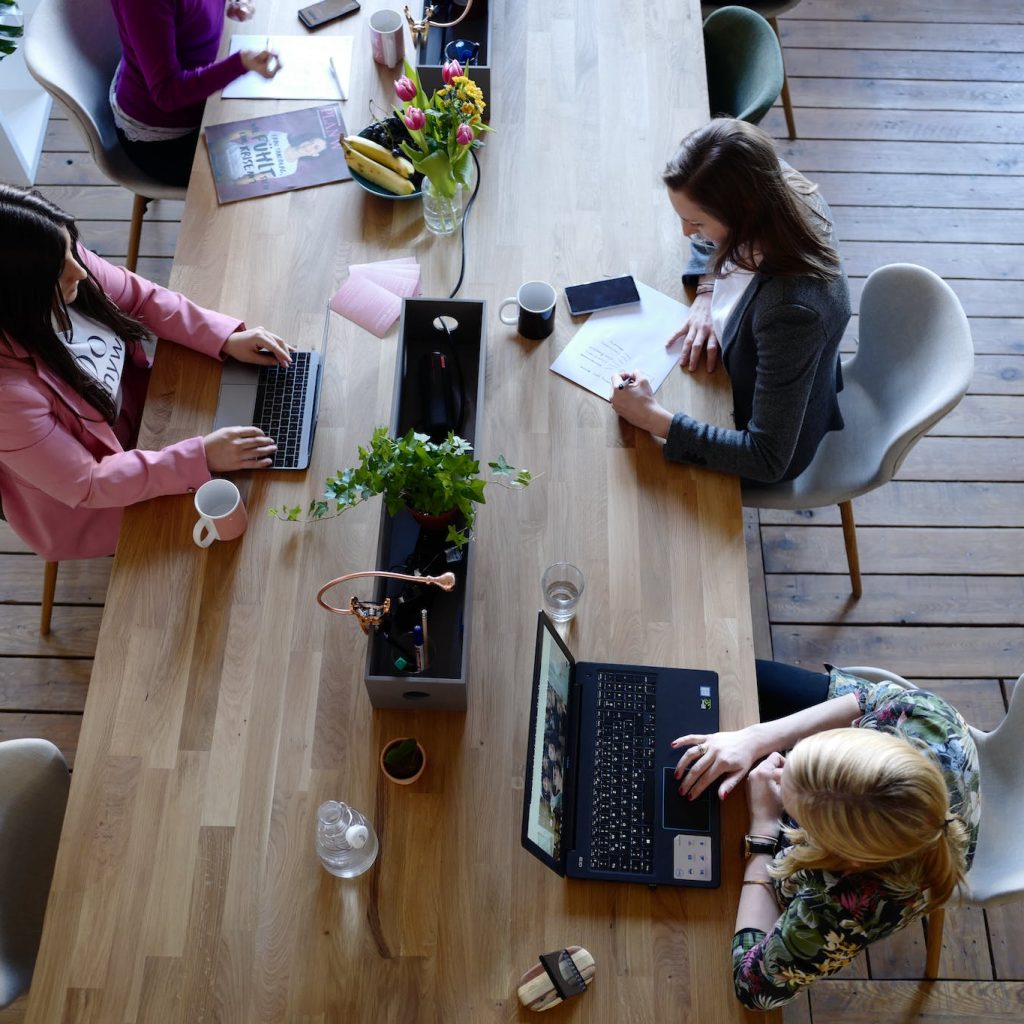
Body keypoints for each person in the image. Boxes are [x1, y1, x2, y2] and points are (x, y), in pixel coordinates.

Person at [0, 185, 292, 562]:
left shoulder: (58, 260)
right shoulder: (8, 399)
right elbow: (89, 482)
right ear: (15, 293)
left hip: (153, 421)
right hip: (97, 505)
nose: (81, 271)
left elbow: (142, 299)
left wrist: (224, 338)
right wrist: (200, 456)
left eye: (72, 249)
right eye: (61, 268)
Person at [671, 661, 979, 1010]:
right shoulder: (928, 717)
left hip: (870, 877)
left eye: (797, 810)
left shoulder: (846, 907)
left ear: (842, 854)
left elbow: (753, 987)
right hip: (914, 815)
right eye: (799, 756)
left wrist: (764, 829)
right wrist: (753, 739)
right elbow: (866, 696)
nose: (779, 762)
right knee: (732, 676)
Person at [610, 118, 852, 485]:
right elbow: (708, 237)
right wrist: (708, 290)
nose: (687, 233)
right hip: (741, 370)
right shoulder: (769, 181)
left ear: (744, 212)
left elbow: (767, 458)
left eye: (697, 223)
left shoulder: (792, 313)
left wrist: (653, 418)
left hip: (763, 437)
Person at [109, 0, 282, 187]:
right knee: (268, 183)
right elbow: (167, 93)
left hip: (204, 97)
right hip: (167, 140)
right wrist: (238, 64)